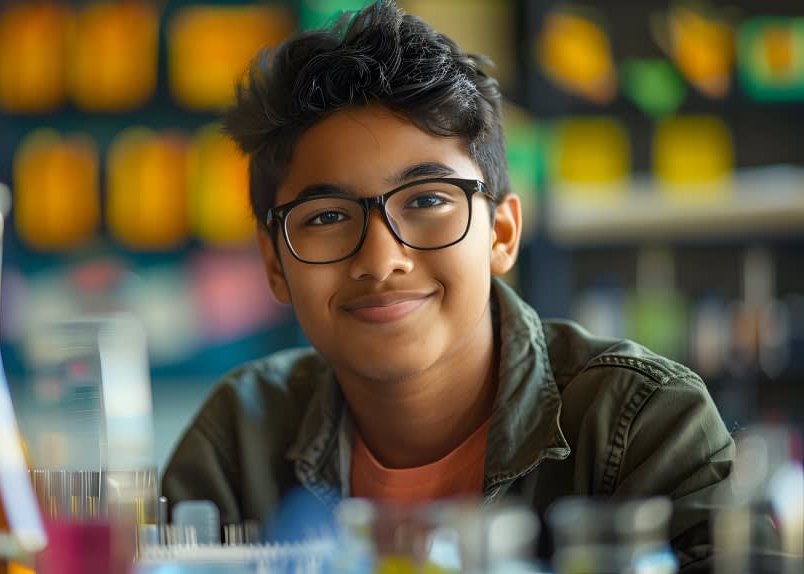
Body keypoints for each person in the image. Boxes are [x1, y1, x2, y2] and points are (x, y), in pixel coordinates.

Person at [162, 0, 734, 569]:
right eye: (327, 217)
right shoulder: (237, 439)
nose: (382, 260)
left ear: (502, 233)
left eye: (429, 200)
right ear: (274, 265)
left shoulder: (643, 425)